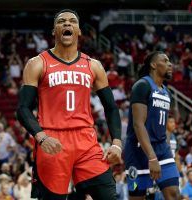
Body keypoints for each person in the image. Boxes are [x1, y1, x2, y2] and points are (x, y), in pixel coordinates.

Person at [16, 9, 122, 200]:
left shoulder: (93, 65)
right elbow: (23, 109)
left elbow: (111, 107)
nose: (67, 24)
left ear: (79, 31)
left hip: (86, 141)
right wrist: (41, 137)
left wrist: (116, 144)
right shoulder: (37, 63)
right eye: (61, 21)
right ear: (54, 31)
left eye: (72, 21)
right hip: (52, 140)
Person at [124, 51, 180, 199]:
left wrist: (166, 148)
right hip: (138, 151)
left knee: (174, 193)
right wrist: (152, 158)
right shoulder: (142, 85)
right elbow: (138, 124)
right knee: (138, 196)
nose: (170, 64)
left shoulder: (167, 92)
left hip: (161, 149)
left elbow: (163, 126)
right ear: (153, 64)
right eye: (166, 61)